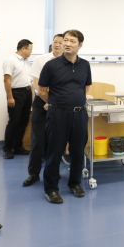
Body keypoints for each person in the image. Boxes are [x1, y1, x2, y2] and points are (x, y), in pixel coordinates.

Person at [39, 30, 92, 204]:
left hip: (79, 113)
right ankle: (51, 189)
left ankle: (75, 183)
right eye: (65, 40)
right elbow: (42, 91)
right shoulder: (51, 65)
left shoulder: (85, 65)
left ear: (80, 45)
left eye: (72, 41)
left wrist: (76, 100)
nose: (67, 44)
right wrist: (56, 102)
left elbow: (86, 87)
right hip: (58, 114)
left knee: (78, 151)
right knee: (54, 152)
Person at [22, 34, 64, 187]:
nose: (57, 44)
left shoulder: (67, 62)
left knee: (56, 140)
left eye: (60, 42)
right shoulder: (41, 60)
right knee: (37, 140)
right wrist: (47, 100)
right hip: (42, 101)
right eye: (55, 42)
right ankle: (33, 174)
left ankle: (53, 173)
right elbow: (36, 83)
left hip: (58, 103)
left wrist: (53, 102)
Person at [2, 39, 33, 159]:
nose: (31, 52)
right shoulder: (11, 61)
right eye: (30, 49)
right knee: (14, 121)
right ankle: (7, 149)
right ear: (23, 48)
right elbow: (6, 80)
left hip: (27, 92)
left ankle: (18, 146)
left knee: (24, 120)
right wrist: (10, 97)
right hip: (16, 93)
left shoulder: (26, 62)